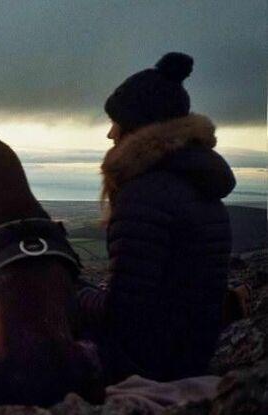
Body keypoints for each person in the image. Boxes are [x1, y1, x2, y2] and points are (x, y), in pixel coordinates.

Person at [77, 52, 236, 385]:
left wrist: (72, 294)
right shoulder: (197, 184)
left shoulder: (143, 196)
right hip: (191, 352)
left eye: (116, 122)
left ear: (137, 129)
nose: (109, 134)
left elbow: (124, 315)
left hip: (151, 362)